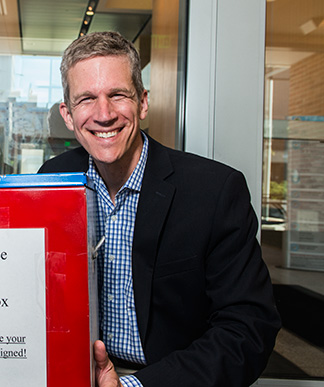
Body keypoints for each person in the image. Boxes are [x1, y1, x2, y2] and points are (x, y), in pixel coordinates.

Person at [37, 31, 281, 386]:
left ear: (143, 103)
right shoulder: (51, 181)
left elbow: (248, 329)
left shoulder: (213, 192)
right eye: (86, 99)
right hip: (67, 372)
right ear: (69, 115)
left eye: (117, 95)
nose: (103, 114)